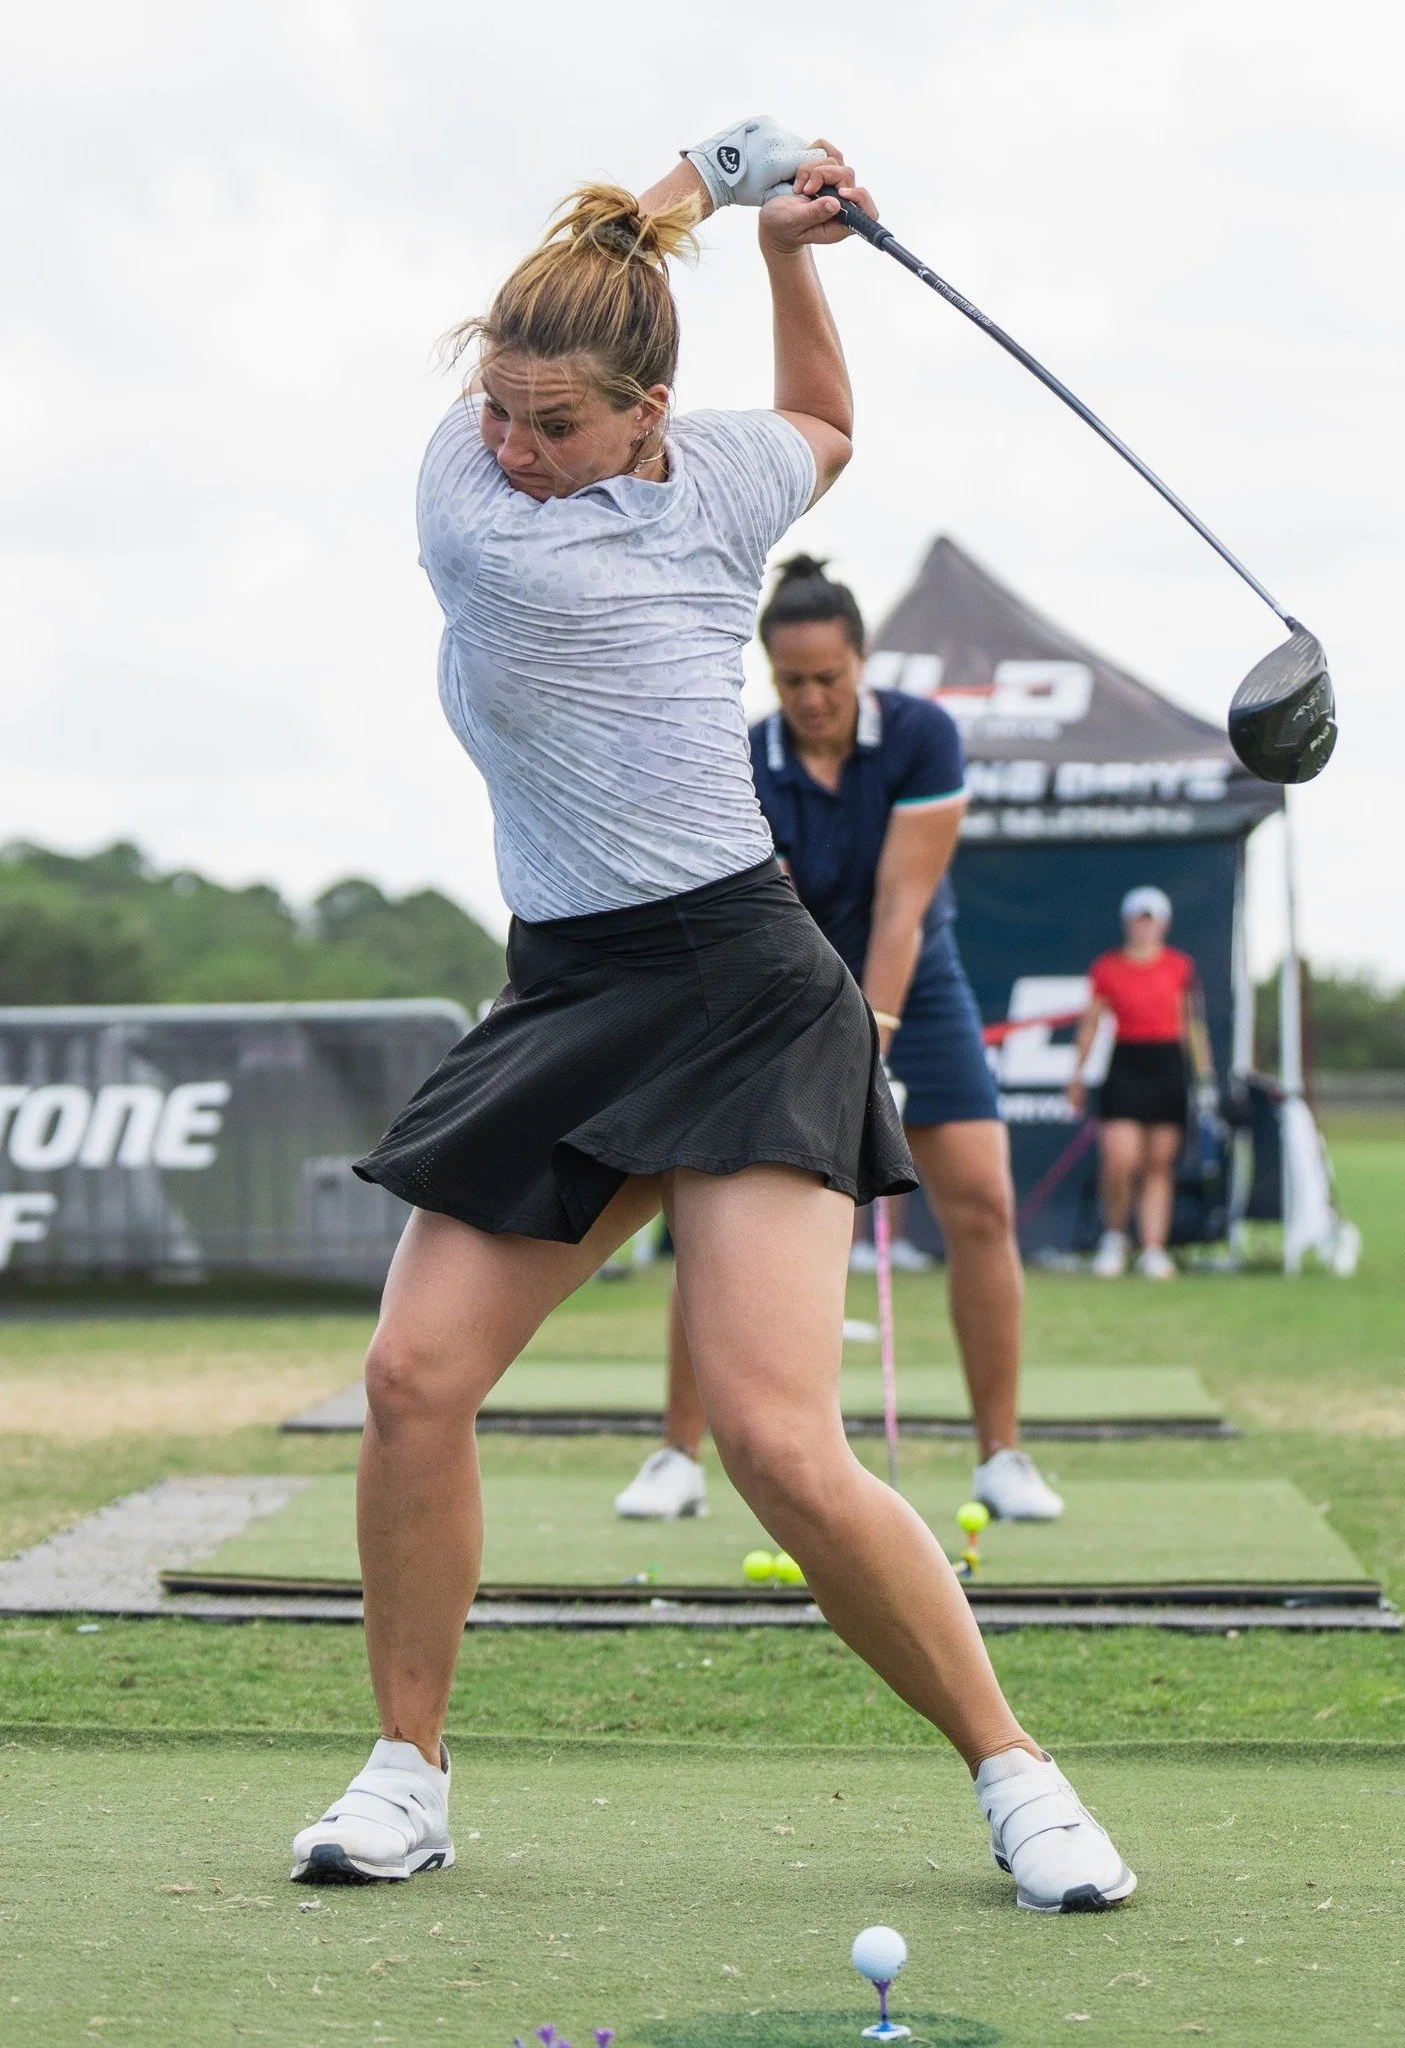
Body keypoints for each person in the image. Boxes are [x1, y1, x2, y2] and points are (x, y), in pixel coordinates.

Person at [288, 119, 1132, 1915]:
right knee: (410, 1378)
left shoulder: (714, 485)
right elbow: (802, 423)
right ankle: (404, 1772)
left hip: (745, 988)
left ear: (652, 419)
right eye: (501, 411)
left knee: (774, 1440)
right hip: (573, 984)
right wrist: (717, 193)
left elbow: (821, 428)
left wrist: (771, 243)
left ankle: (1019, 1772)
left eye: (558, 425)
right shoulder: (472, 507)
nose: (513, 452)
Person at [615, 554, 1062, 1524]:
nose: (811, 698)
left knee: (981, 1201)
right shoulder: (742, 757)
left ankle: (1002, 1455)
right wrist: (830, 1040)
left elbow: (902, 904)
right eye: (790, 682)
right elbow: (761, 910)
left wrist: (877, 1038)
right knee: (715, 1216)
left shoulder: (921, 736)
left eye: (829, 678)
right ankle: (675, 1455)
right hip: (782, 988)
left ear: (861, 661)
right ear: (769, 675)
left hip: (918, 987)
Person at [1066, 886, 1212, 1279]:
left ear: (1162, 924)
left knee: (1159, 1163)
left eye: (1151, 919)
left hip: (1167, 1065)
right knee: (1119, 1158)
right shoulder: (1107, 968)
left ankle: (1152, 1248)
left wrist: (1205, 1077)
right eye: (1138, 919)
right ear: (1128, 922)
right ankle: (1114, 1238)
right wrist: (1077, 1075)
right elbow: (1091, 1024)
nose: (1144, 927)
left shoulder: (1179, 966)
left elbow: (1192, 1024)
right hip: (1126, 1063)